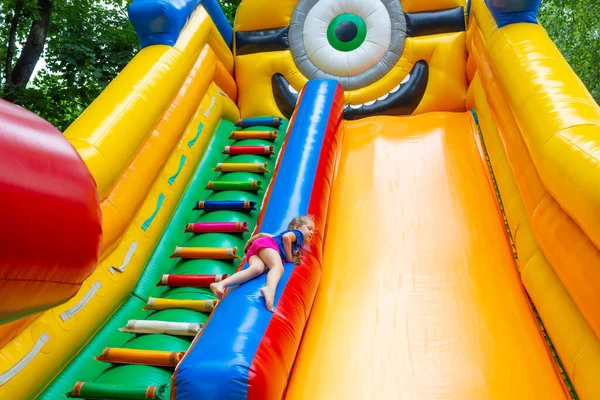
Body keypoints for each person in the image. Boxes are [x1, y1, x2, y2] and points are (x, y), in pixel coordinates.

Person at [209, 216, 315, 312]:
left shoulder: (282, 237)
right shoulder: (298, 235)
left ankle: (220, 284)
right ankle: (269, 289)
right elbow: (286, 237)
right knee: (277, 267)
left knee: (256, 269)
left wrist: (250, 241)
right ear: (296, 227)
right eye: (309, 228)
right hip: (268, 246)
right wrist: (289, 258)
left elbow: (263, 235)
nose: (311, 233)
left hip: (259, 247)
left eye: (313, 232)